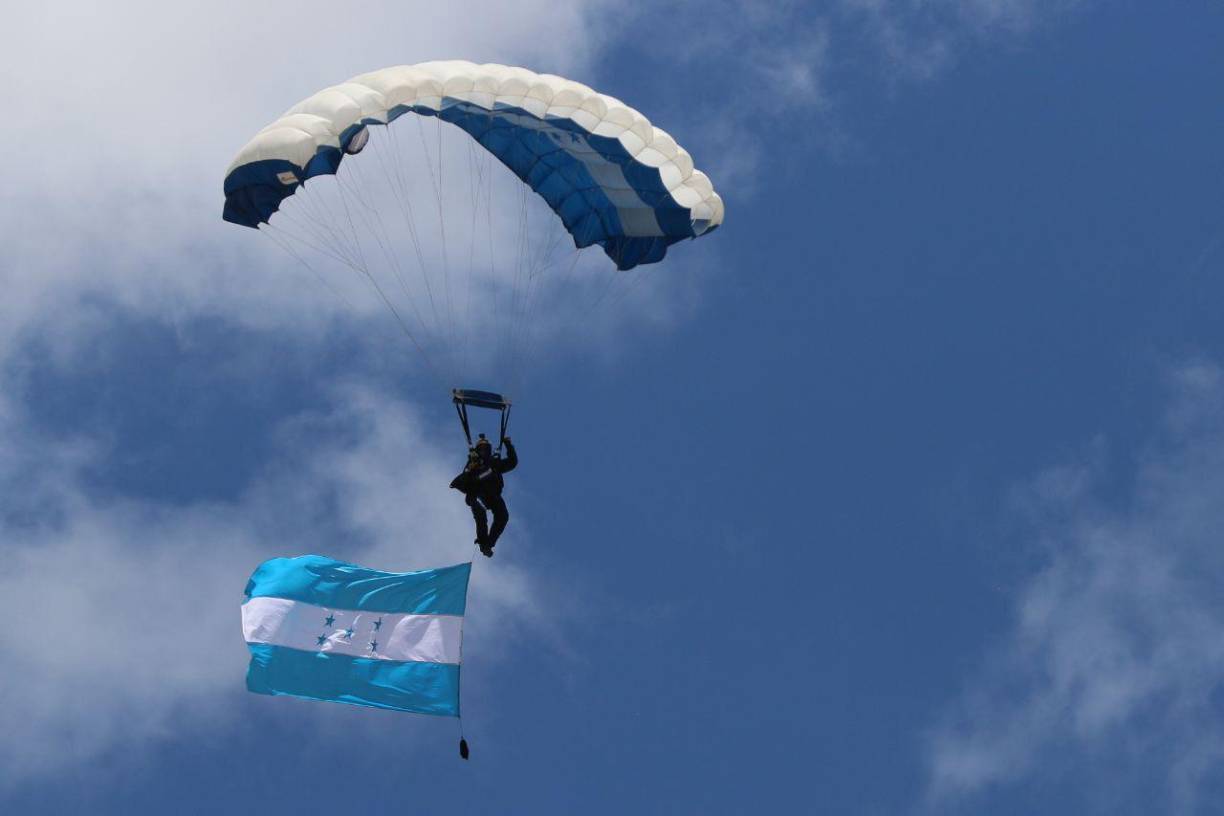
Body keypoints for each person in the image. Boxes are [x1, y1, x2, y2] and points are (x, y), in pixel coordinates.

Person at [450, 434, 517, 557]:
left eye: (486, 448)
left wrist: (508, 444)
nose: (484, 451)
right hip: (478, 494)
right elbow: (462, 480)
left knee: (502, 516)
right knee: (480, 515)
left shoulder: (493, 463)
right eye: (481, 449)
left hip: (493, 496)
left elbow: (512, 462)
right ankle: (483, 542)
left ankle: (488, 544)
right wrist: (470, 468)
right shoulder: (473, 463)